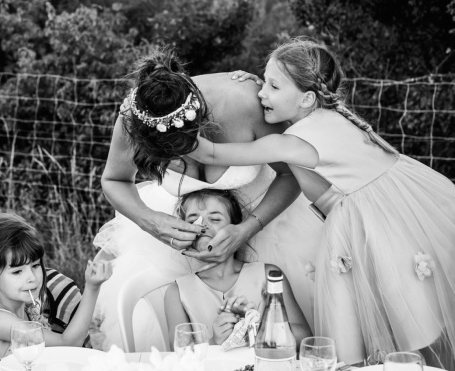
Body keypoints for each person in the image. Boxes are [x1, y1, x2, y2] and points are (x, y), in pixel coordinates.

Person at [189, 38, 455, 369]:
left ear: (307, 97)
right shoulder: (324, 117)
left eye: (273, 86)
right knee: (409, 316)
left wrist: (170, 121)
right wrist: (258, 85)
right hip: (396, 216)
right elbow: (282, 105)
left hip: (368, 228)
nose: (260, 96)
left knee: (395, 320)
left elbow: (210, 152)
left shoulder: (293, 144)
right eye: (264, 82)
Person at [93, 47, 323, 351]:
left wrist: (247, 229)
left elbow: (291, 173)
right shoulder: (133, 118)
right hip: (172, 230)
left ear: (200, 120)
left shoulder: (245, 103)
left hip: (265, 219)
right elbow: (114, 180)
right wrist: (151, 222)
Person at [0, 213, 112, 368]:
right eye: (17, 271)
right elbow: (69, 343)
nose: (31, 277)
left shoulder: (28, 307)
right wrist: (92, 288)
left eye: (35, 265)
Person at [165, 189, 310, 349]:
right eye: (193, 220)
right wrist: (214, 342)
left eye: (214, 218)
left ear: (236, 228)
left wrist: (255, 327)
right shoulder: (177, 292)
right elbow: (178, 356)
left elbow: (304, 338)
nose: (202, 225)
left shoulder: (268, 275)